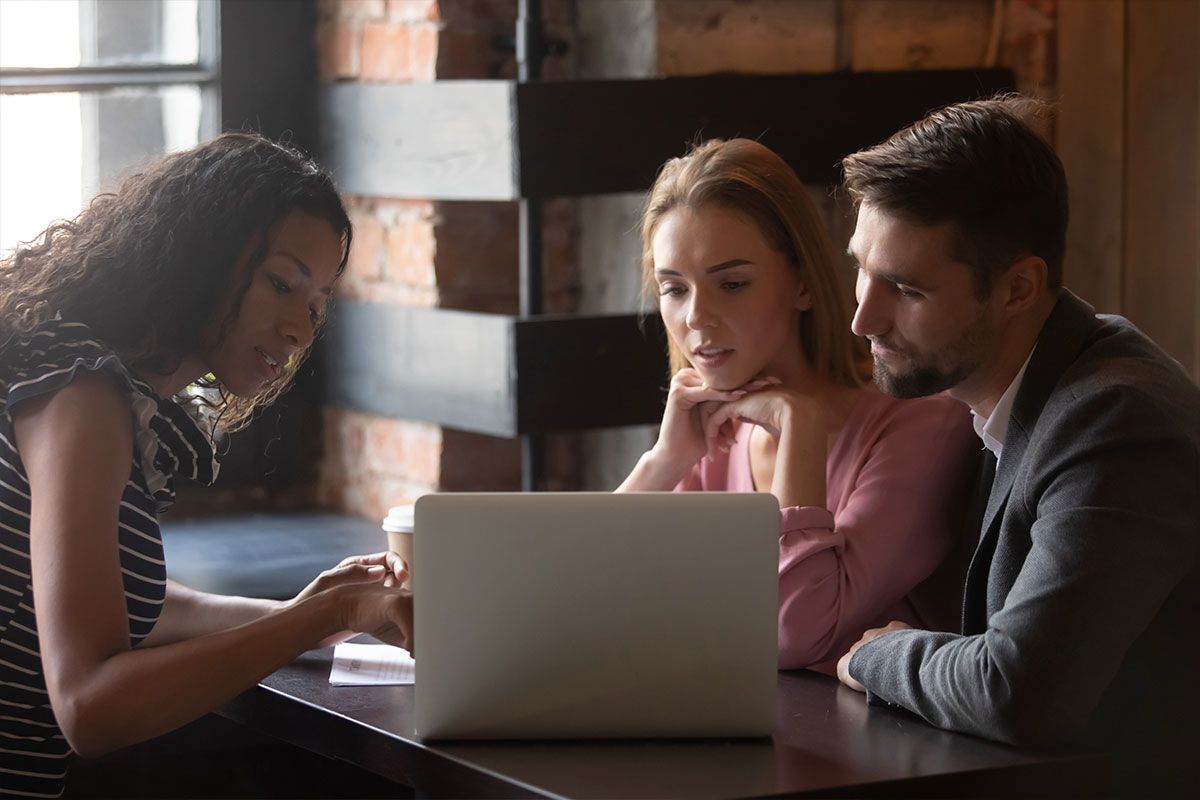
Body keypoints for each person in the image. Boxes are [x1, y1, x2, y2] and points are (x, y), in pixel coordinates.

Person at [0, 132, 414, 798]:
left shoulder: (91, 383)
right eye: (281, 283)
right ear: (204, 256)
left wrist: (323, 612)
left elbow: (124, 606)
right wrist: (305, 622)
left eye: (316, 305)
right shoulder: (85, 398)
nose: (299, 331)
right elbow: (88, 706)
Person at [835, 95, 1200, 794]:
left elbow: (1018, 691)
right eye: (862, 269)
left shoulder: (1116, 421)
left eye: (905, 288)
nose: (862, 318)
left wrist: (883, 656)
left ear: (1018, 288)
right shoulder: (1019, 391)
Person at [616, 138, 978, 673]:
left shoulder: (923, 426)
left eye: (732, 283)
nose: (696, 317)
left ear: (803, 283)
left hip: (877, 748)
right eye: (674, 289)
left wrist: (800, 427)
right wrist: (664, 461)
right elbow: (596, 596)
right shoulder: (715, 435)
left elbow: (792, 633)